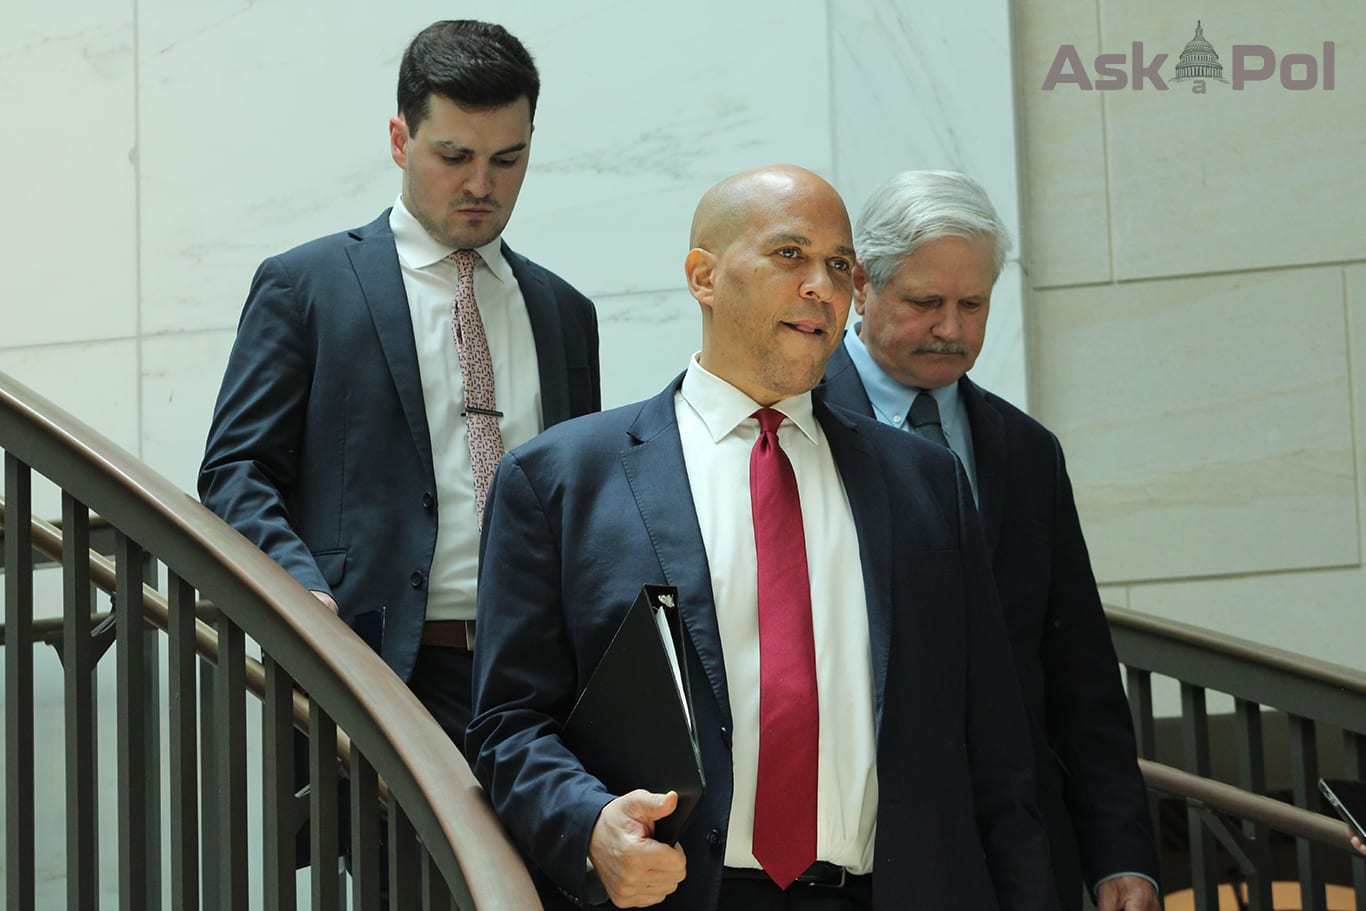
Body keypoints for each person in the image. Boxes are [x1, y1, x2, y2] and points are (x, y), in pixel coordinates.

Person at [467, 164, 1056, 910]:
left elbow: (998, 748)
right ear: (703, 276)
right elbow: (509, 724)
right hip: (680, 894)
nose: (821, 286)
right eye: (789, 255)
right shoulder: (560, 480)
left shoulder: (926, 482)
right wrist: (591, 826)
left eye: (838, 265)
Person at [199, 19, 600, 743]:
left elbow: (582, 497)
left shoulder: (565, 312)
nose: (481, 185)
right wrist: (299, 588)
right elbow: (236, 469)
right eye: (454, 156)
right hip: (376, 666)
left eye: (508, 159)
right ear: (399, 140)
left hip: (544, 677)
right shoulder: (306, 287)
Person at [820, 170, 1160, 911]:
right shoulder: (792, 427)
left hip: (1015, 852)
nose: (952, 328)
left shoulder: (1027, 450)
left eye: (972, 305)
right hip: (851, 854)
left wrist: (1121, 852)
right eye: (925, 303)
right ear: (861, 286)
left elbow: (1078, 672)